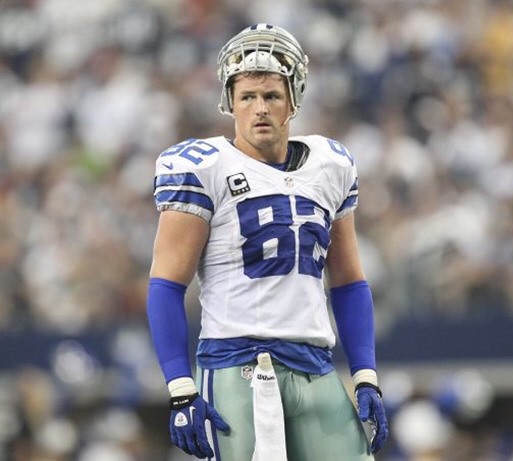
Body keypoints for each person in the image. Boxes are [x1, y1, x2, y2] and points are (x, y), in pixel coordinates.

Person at [146, 23, 389, 460]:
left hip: (314, 364)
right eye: (248, 97)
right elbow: (166, 284)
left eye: (272, 96)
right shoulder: (203, 167)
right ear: (230, 102)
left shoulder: (330, 165)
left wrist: (365, 374)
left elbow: (349, 281)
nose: (260, 108)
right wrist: (180, 387)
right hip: (235, 364)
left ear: (293, 100)